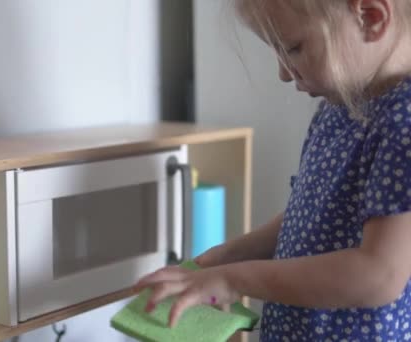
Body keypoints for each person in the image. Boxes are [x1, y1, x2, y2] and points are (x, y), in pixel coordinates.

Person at [135, 0, 411, 340]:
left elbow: (378, 276)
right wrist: (225, 258)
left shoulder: (404, 122)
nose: (283, 72)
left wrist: (233, 281)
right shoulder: (337, 109)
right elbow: (311, 217)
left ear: (371, 17)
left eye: (293, 48)